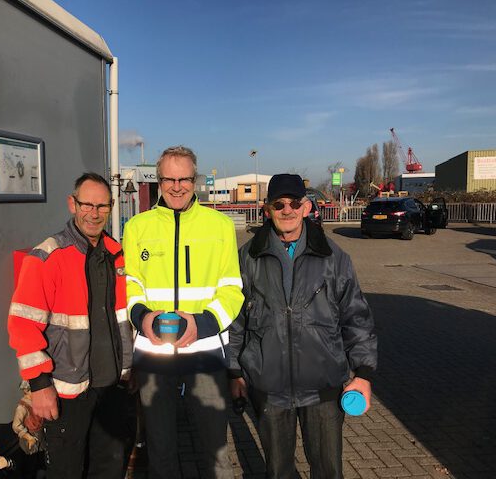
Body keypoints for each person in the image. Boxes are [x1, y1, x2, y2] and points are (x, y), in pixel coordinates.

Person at [229, 174, 377, 479]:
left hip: (323, 387)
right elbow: (234, 321)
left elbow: (356, 316)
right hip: (269, 388)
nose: (287, 210)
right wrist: (234, 373)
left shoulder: (333, 257)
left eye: (294, 203)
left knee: (328, 471)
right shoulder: (247, 258)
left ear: (307, 207)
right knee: (278, 472)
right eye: (279, 204)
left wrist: (363, 373)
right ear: (267, 209)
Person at [122, 145, 244, 478]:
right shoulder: (137, 227)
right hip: (153, 354)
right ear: (159, 181)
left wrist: (203, 324)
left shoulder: (220, 226)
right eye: (169, 180)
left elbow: (232, 290)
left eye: (184, 179)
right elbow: (130, 285)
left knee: (215, 452)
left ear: (195, 180)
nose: (177, 187)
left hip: (205, 352)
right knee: (160, 451)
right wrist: (142, 317)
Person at [7, 173, 133, 479]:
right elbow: (23, 325)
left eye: (102, 206)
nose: (94, 213)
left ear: (111, 207)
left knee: (110, 469)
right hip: (67, 394)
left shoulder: (117, 256)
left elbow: (124, 320)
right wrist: (40, 386)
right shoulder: (48, 257)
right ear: (72, 204)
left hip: (112, 388)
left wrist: (131, 369)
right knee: (67, 472)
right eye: (87, 204)